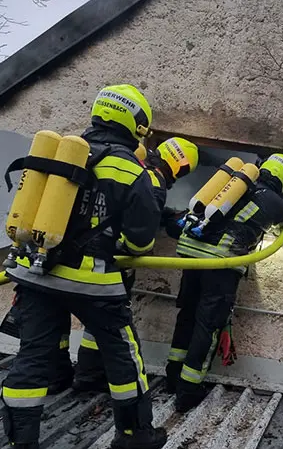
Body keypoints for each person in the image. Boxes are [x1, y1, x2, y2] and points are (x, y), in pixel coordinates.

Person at [1, 84, 166, 449]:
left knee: (32, 359)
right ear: (136, 125)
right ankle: (133, 433)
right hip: (92, 283)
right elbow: (140, 242)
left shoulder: (62, 154)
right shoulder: (132, 171)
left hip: (36, 273)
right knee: (123, 354)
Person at [166, 153, 283, 413]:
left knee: (187, 315)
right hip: (221, 264)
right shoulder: (276, 204)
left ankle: (173, 376)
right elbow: (278, 227)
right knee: (208, 325)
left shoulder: (235, 183)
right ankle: (189, 389)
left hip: (192, 254)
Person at [73, 136, 199, 392]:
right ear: (181, 167)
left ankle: (87, 374)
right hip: (114, 261)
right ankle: (115, 389)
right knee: (115, 328)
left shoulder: (137, 167)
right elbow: (141, 232)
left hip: (84, 253)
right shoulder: (157, 183)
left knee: (95, 323)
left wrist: (165, 214)